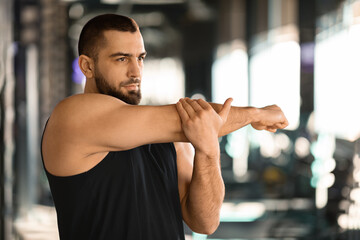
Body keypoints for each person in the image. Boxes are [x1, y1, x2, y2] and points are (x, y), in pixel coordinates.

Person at [41, 14, 288, 240]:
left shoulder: (171, 136)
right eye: (121, 58)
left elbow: (205, 223)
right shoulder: (71, 116)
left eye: (140, 58)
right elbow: (192, 119)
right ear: (87, 66)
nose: (135, 71)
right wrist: (256, 114)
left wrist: (208, 151)